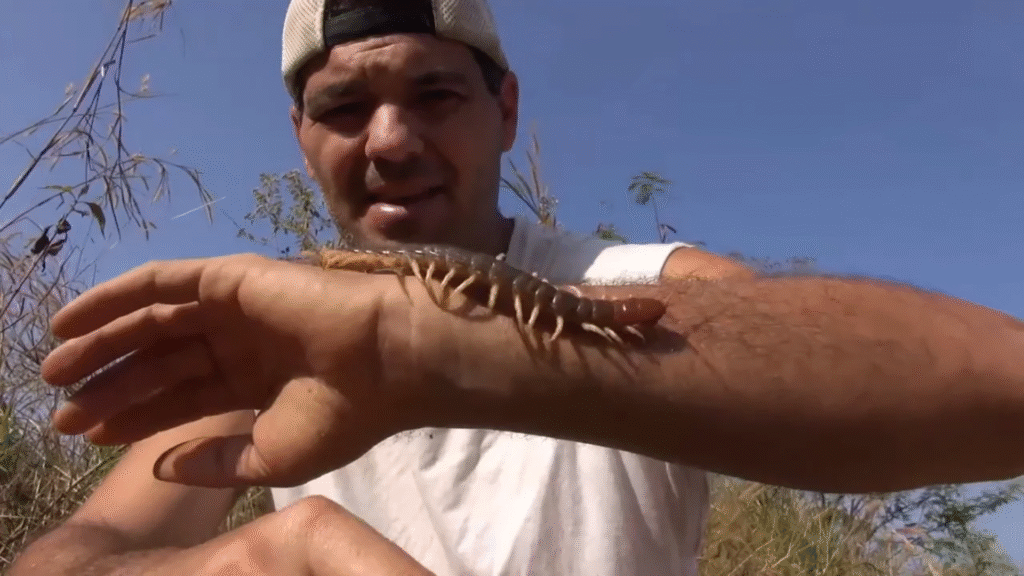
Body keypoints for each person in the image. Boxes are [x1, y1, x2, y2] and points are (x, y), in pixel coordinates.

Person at [11, 0, 1024, 575]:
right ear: (299, 136)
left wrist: (429, 346)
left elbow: (1000, 389)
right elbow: (77, 555)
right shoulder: (258, 348)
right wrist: (256, 558)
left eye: (435, 93)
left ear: (505, 108)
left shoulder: (637, 283)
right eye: (346, 106)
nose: (393, 141)